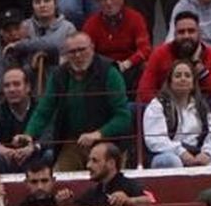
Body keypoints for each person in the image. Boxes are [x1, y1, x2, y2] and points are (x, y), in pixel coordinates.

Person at [23, 31, 131, 171]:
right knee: (59, 178)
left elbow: (123, 117)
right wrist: (29, 135)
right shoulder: (58, 75)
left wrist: (98, 134)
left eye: (82, 50)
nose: (78, 55)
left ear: (92, 48)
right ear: (66, 54)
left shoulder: (109, 72)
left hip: (109, 143)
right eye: (72, 52)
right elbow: (44, 110)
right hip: (73, 143)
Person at [143, 59, 211, 168]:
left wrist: (207, 153)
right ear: (170, 82)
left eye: (187, 75)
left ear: (193, 83)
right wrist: (181, 153)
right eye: (178, 76)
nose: (183, 79)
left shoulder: (201, 107)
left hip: (196, 154)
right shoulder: (157, 105)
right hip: (167, 154)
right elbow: (155, 140)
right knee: (170, 161)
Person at [74, 139, 152, 206]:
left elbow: (150, 200)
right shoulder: (93, 192)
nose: (88, 165)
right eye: (89, 160)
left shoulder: (129, 185)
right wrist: (63, 201)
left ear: (111, 163)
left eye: (95, 161)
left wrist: (129, 200)